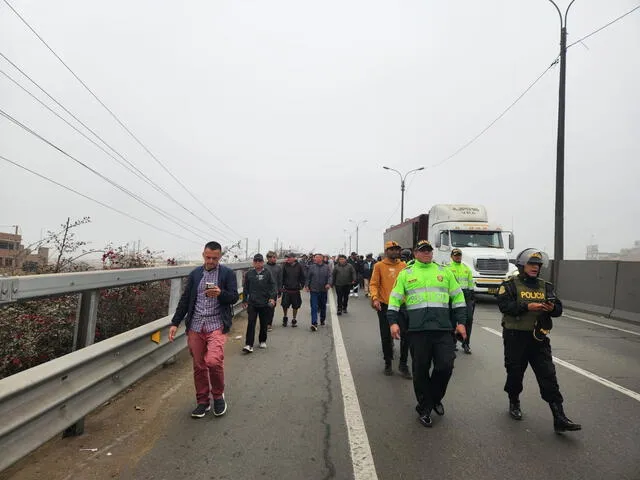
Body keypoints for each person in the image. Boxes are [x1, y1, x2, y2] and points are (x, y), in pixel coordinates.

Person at [497, 249, 581, 433]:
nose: (535, 268)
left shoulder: (546, 286)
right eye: (531, 264)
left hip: (539, 338)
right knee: (515, 373)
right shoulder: (510, 285)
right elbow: (504, 305)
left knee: (548, 376)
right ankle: (514, 401)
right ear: (522, 266)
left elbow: (558, 309)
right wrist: (527, 306)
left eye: (538, 265)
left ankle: (559, 417)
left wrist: (551, 308)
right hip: (515, 337)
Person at [388, 240, 467, 428]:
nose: (426, 253)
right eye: (423, 251)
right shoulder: (406, 274)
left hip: (442, 329)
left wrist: (461, 323)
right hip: (417, 331)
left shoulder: (444, 272)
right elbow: (395, 299)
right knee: (421, 370)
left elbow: (458, 298)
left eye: (429, 251)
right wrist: (393, 322)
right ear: (415, 253)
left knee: (445, 367)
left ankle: (434, 398)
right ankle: (424, 408)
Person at [169, 241, 239, 418]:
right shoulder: (194, 275)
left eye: (215, 258)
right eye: (208, 257)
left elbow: (233, 297)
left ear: (220, 257)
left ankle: (218, 395)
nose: (211, 261)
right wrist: (175, 323)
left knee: (213, 361)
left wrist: (220, 293)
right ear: (203, 255)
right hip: (196, 325)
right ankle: (202, 401)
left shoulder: (227, 274)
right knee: (199, 365)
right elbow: (185, 300)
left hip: (216, 324)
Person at [369, 241, 408, 377]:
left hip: (402, 306)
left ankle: (403, 364)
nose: (395, 251)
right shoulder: (379, 266)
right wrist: (375, 298)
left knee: (406, 335)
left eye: (397, 249)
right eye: (392, 249)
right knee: (386, 336)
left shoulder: (403, 266)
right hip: (385, 305)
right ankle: (388, 362)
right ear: (386, 251)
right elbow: (373, 284)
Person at [242, 253, 277, 352]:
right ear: (253, 262)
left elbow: (273, 287)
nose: (257, 263)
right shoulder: (249, 274)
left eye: (259, 261)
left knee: (263, 323)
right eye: (255, 261)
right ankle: (249, 344)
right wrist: (245, 300)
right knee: (251, 323)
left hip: (265, 302)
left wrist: (272, 298)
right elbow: (245, 288)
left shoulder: (267, 273)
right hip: (252, 303)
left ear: (263, 262)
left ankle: (262, 340)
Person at [446, 248, 475, 354]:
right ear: (451, 256)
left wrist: (472, 295)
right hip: (452, 297)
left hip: (466, 296)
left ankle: (466, 343)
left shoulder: (466, 268)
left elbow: (470, 282)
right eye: (455, 255)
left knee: (469, 319)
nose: (458, 257)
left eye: (459, 255)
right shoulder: (447, 268)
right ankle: (452, 342)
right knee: (452, 320)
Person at [305, 253, 332, 330]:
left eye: (317, 257)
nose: (315, 259)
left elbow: (330, 277)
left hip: (323, 290)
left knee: (323, 306)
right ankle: (314, 323)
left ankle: (322, 319)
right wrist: (307, 285)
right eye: (315, 257)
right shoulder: (312, 267)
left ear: (321, 259)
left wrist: (328, 284)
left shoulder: (327, 267)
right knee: (314, 307)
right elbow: (308, 277)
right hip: (314, 290)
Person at [281, 253, 306, 327]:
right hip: (286, 289)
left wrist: (302, 285)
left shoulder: (299, 266)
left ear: (294, 258)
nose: (287, 259)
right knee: (284, 305)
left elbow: (302, 277)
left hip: (295, 290)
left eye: (289, 257)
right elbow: (282, 277)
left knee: (296, 306)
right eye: (287, 257)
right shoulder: (284, 265)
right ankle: (285, 318)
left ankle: (294, 319)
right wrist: (281, 286)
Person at [264, 251, 283, 332]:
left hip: (273, 291)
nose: (274, 259)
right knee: (264, 308)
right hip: (264, 291)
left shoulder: (278, 268)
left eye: (275, 257)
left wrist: (279, 291)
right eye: (272, 257)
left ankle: (269, 324)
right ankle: (264, 322)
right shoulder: (264, 267)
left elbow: (280, 280)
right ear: (268, 258)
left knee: (271, 308)